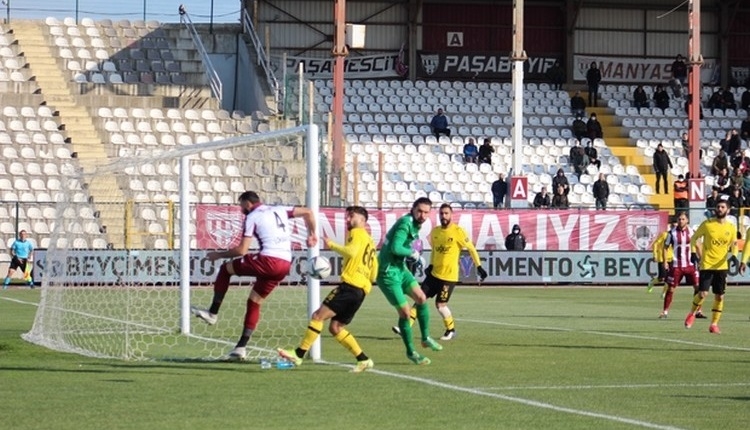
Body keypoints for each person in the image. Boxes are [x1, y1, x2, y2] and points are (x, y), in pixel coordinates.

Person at [191, 191, 318, 360]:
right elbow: (309, 212)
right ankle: (241, 348)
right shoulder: (279, 209)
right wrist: (312, 234)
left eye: (241, 205)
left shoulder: (252, 217)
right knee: (254, 301)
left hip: (268, 259)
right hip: (285, 264)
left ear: (248, 203)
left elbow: (241, 250)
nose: (241, 208)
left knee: (225, 269)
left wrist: (218, 254)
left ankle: (213, 313)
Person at [278, 206, 377, 373]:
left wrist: (330, 244)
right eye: (347, 216)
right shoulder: (370, 241)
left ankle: (298, 354)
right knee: (336, 327)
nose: (347, 220)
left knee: (317, 316)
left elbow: (351, 252)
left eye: (351, 216)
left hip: (350, 286)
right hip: (361, 291)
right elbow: (374, 271)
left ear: (363, 220)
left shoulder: (357, 233)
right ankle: (364, 359)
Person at [391, 204, 488, 341]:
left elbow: (471, 249)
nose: (443, 216)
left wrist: (479, 266)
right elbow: (435, 251)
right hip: (434, 274)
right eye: (441, 213)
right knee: (420, 299)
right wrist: (431, 265)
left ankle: (451, 330)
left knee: (440, 305)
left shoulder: (458, 231)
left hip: (449, 277)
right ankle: (405, 327)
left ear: (451, 214)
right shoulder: (435, 232)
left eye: (446, 213)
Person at [377, 197, 441, 365]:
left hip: (400, 269)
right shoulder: (405, 223)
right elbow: (396, 248)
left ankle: (426, 337)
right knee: (405, 313)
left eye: (426, 212)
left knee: (421, 297)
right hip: (388, 273)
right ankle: (411, 351)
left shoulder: (415, 224)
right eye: (419, 211)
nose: (422, 215)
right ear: (413, 209)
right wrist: (413, 254)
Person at [686, 195, 738, 334]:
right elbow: (694, 238)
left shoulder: (731, 227)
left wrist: (734, 255)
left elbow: (734, 244)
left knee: (719, 296)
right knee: (703, 294)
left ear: (728, 210)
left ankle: (714, 324)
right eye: (718, 207)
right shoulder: (708, 224)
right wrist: (692, 252)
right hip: (707, 264)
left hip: (722, 266)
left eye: (722, 207)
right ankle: (691, 314)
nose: (719, 209)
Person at [660, 212, 702, 319]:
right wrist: (665, 262)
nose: (681, 221)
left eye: (683, 219)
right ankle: (665, 311)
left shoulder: (692, 231)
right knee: (671, 289)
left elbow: (697, 246)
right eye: (679, 219)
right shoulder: (671, 233)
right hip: (676, 265)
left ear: (687, 220)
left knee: (698, 288)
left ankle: (698, 311)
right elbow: (665, 248)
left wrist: (702, 259)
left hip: (690, 265)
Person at [647, 218, 675, 295]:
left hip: (671, 258)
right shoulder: (664, 234)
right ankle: (651, 282)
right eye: (673, 226)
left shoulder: (677, 235)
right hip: (662, 258)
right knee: (662, 278)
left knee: (670, 278)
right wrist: (655, 255)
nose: (674, 227)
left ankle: (664, 293)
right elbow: (655, 244)